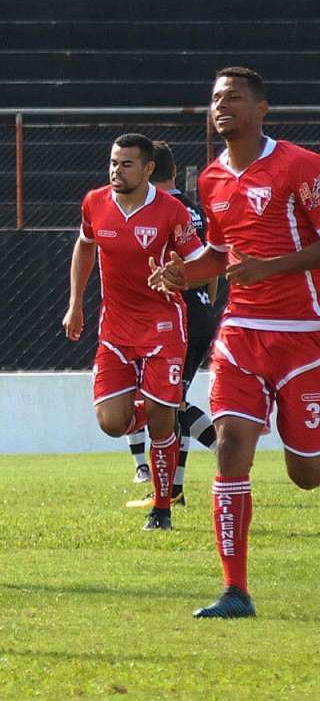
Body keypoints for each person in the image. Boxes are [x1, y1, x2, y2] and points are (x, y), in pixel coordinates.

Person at [150, 67, 320, 618]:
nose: (221, 106)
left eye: (234, 98)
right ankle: (235, 591)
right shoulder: (211, 179)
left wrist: (271, 267)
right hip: (241, 333)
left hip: (304, 335)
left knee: (306, 475)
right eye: (216, 98)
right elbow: (219, 255)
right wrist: (183, 272)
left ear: (262, 108)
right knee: (228, 449)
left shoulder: (300, 165)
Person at [63, 133, 205, 531]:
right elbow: (85, 244)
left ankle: (161, 508)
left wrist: (179, 277)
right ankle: (166, 407)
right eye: (112, 162)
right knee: (111, 422)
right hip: (116, 328)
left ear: (147, 169)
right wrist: (76, 303)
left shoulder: (171, 211)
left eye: (126, 164)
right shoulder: (95, 203)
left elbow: (198, 262)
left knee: (160, 424)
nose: (116, 170)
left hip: (163, 327)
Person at [125, 141, 219, 503]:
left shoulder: (157, 210)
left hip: (171, 318)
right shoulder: (196, 208)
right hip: (200, 314)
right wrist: (205, 303)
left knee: (162, 402)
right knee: (172, 401)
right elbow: (210, 263)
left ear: (148, 171)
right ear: (175, 172)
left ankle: (222, 445)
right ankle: (173, 490)